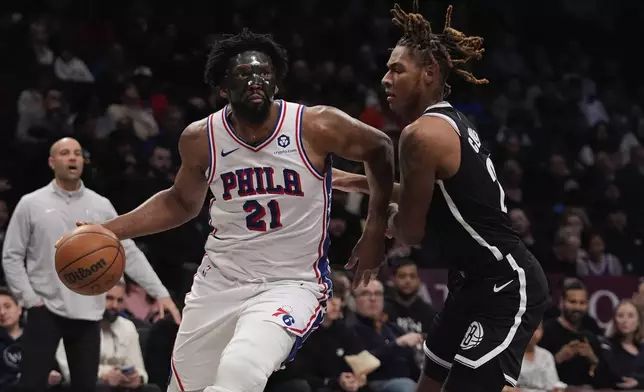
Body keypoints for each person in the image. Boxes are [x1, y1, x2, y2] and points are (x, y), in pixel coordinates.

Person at [66, 28, 394, 392]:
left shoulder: (314, 124)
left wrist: (375, 228)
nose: (256, 79)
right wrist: (110, 230)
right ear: (223, 88)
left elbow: (379, 147)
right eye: (243, 73)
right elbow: (180, 201)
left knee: (241, 369)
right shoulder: (201, 137)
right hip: (219, 281)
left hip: (290, 283)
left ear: (276, 85)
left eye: (265, 73)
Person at [332, 2, 549, 391]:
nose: (385, 78)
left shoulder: (421, 136)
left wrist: (378, 224)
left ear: (429, 73)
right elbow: (436, 200)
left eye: (397, 69)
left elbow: (410, 233)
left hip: (504, 281)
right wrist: (354, 181)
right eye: (387, 68)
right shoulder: (447, 121)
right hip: (469, 283)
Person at [2, 137, 180, 392]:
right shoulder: (31, 203)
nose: (73, 157)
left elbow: (127, 251)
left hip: (89, 310)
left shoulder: (100, 205)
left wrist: (161, 292)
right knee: (31, 385)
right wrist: (30, 299)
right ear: (52, 162)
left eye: (77, 153)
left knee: (87, 387)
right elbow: (11, 255)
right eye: (65, 153)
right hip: (44, 309)